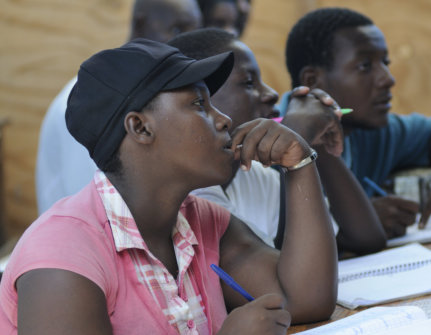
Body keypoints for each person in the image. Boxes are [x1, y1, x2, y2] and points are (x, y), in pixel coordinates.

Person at [0, 39, 337, 334]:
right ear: (140, 128)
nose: (224, 120)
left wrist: (300, 163)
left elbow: (306, 299)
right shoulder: (64, 254)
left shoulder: (201, 221)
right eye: (198, 105)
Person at [169, 28, 386, 254]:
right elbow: (285, 275)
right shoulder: (189, 192)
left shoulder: (253, 176)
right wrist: (296, 147)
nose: (272, 93)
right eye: (249, 82)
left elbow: (364, 239)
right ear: (202, 100)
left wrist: (316, 143)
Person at [281, 7, 431, 238]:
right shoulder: (270, 145)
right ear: (312, 80)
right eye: (365, 66)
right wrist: (352, 222)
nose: (388, 79)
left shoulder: (367, 133)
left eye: (385, 62)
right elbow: (268, 237)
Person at [36, 0, 202, 214]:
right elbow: (94, 207)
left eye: (195, 33)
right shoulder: (86, 102)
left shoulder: (149, 97)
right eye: (177, 30)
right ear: (140, 24)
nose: (187, 48)